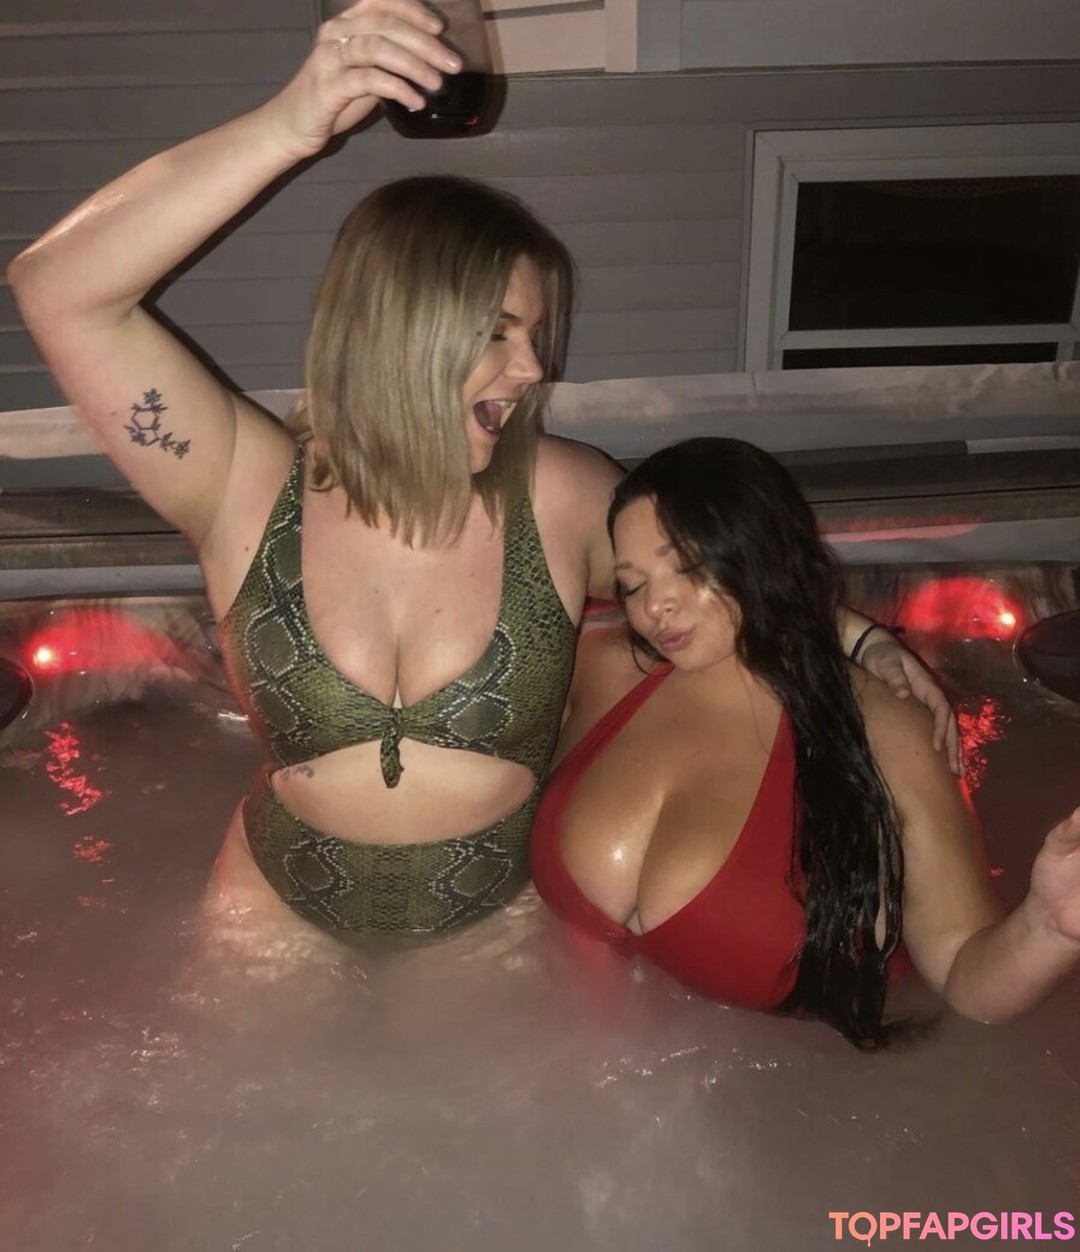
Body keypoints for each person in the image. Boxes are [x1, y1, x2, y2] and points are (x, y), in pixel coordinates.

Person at [8, 1, 954, 939]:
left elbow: (732, 575)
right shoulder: (240, 487)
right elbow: (57, 289)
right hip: (273, 915)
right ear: (397, 330)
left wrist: (866, 643)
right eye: (500, 332)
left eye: (535, 335)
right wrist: (291, 123)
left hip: (488, 931)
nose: (535, 368)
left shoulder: (562, 497)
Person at [531, 438, 1080, 1047]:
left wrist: (1049, 927)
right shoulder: (605, 671)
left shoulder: (885, 729)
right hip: (558, 1055)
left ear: (759, 553)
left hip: (784, 1084)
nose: (656, 605)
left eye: (686, 566)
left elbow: (961, 972)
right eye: (632, 585)